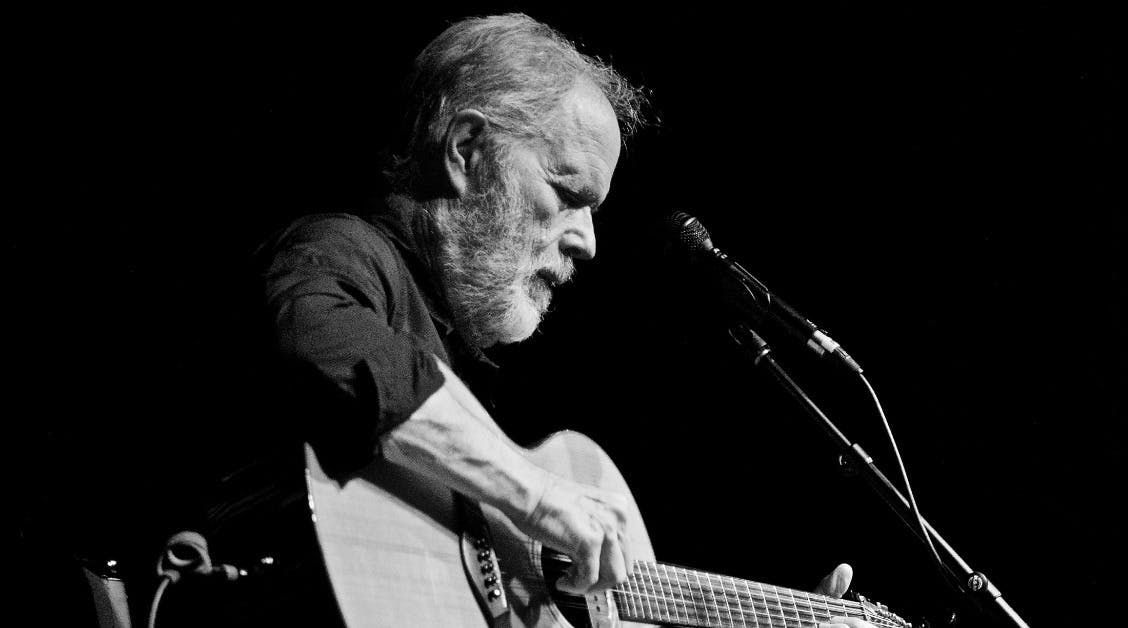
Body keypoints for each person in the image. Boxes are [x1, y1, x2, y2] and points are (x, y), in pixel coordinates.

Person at [246, 13, 877, 628]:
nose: (588, 242)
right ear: (466, 150)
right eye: (569, 194)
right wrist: (541, 495)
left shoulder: (462, 359)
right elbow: (321, 338)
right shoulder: (341, 249)